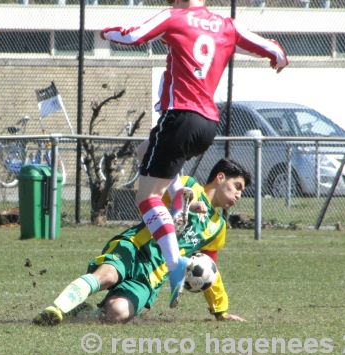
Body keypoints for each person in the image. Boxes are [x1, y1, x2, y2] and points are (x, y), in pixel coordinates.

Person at [100, 0, 289, 308]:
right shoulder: (227, 26)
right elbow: (272, 48)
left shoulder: (176, 17)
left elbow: (133, 36)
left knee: (146, 198)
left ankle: (174, 262)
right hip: (208, 124)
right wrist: (278, 59)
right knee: (146, 150)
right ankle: (179, 200)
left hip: (179, 118)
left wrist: (107, 32)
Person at [32, 158, 251, 325]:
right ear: (220, 178)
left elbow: (210, 269)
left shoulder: (218, 228)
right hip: (136, 247)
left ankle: (79, 312)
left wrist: (221, 311)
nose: (239, 195)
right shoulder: (188, 187)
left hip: (152, 275)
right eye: (238, 186)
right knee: (107, 275)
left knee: (117, 313)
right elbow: (153, 201)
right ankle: (56, 310)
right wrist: (184, 206)